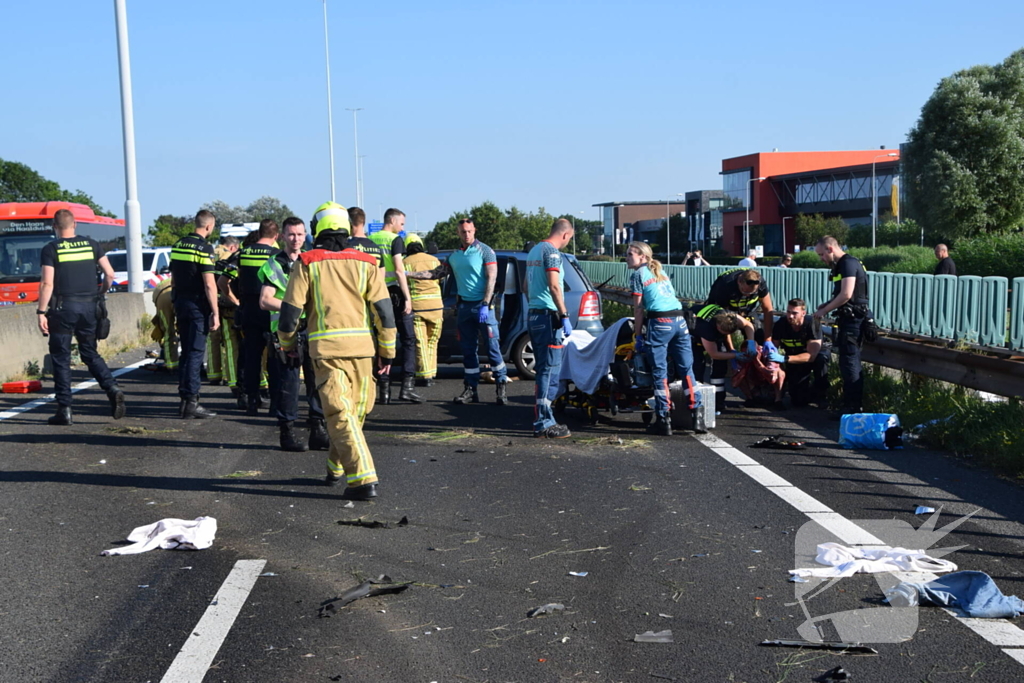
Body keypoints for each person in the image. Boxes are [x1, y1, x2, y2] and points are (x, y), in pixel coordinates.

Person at [277, 204, 396, 501]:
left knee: (342, 415)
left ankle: (363, 479)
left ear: (316, 230)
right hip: (363, 352)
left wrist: (288, 345)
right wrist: (388, 351)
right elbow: (384, 313)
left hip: (326, 351)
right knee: (351, 414)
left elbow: (290, 315)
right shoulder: (367, 262)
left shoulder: (307, 262)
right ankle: (341, 470)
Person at [36, 208, 126, 425]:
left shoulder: (51, 248)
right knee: (89, 352)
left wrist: (40, 311)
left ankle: (64, 411)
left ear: (54, 227)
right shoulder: (92, 244)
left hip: (63, 308)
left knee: (61, 358)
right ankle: (112, 388)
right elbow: (110, 274)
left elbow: (47, 283)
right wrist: (101, 293)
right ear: (75, 224)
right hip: (89, 308)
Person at [626, 241, 703, 435]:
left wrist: (637, 335)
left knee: (660, 372)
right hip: (680, 321)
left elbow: (638, 308)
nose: (626, 258)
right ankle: (698, 416)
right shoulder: (660, 271)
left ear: (642, 257)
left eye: (630, 254)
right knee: (686, 369)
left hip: (660, 322)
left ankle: (663, 418)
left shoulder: (637, 275)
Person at [258, 217, 317, 452]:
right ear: (282, 236)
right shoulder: (274, 264)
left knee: (317, 382)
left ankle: (318, 429)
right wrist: (292, 306)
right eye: (291, 235)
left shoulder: (312, 261)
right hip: (284, 332)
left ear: (306, 236)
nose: (296, 239)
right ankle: (288, 433)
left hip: (311, 330)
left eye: (300, 234)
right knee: (288, 386)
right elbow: (265, 300)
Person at [446, 219, 509, 404]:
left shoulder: (485, 251)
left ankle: (501, 389)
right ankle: (471, 389)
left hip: (483, 308)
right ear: (458, 233)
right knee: (467, 350)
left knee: (492, 349)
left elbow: (492, 277)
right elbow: (437, 273)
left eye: (469, 231)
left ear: (474, 231)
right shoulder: (454, 255)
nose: (466, 235)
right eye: (463, 232)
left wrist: (485, 303)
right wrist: (407, 274)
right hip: (464, 307)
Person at [526, 219, 575, 439]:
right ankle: (544, 422)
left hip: (534, 314)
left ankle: (542, 419)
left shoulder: (535, 250)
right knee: (549, 370)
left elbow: (527, 286)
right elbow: (555, 285)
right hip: (548, 318)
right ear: (565, 235)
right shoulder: (552, 253)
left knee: (542, 370)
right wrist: (564, 314)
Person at [169, 210, 221, 418]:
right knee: (196, 352)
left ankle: (184, 401)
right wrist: (215, 312)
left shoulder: (178, 245)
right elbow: (209, 284)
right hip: (197, 306)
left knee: (186, 352)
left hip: (180, 302)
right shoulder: (204, 248)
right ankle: (192, 402)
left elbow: (173, 277)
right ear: (209, 227)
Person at [813, 235, 869, 416]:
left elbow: (846, 294)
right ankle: (849, 405)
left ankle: (852, 408)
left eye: (822, 254)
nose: (821, 259)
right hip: (849, 319)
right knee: (847, 363)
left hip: (853, 321)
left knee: (850, 363)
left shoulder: (847, 263)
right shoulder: (843, 264)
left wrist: (824, 311)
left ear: (830, 249)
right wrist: (828, 304)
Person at [370, 208, 421, 404]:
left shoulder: (370, 239)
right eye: (401, 224)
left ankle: (384, 389)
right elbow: (399, 270)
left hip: (376, 294)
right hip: (395, 293)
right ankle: (407, 388)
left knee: (382, 338)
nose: (402, 228)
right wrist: (407, 298)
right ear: (392, 221)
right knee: (408, 339)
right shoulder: (394, 240)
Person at [237, 220, 281, 415]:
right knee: (274, 358)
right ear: (276, 236)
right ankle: (274, 403)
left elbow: (228, 279)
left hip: (249, 310)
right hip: (271, 312)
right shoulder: (277, 255)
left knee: (252, 358)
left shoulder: (244, 252)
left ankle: (252, 401)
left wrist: (237, 301)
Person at [692, 305, 756, 414]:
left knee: (720, 368)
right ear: (718, 327)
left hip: (713, 332)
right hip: (692, 337)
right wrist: (735, 355)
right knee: (697, 367)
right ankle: (697, 403)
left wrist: (751, 342)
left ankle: (718, 402)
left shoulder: (729, 316)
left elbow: (748, 325)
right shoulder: (706, 328)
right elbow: (714, 354)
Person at [402, 233, 443, 387]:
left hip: (418, 308)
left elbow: (402, 282)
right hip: (437, 307)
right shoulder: (434, 260)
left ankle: (425, 376)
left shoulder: (405, 262)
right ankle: (431, 373)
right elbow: (439, 279)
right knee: (433, 341)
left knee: (421, 342)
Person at [774, 298, 830, 407]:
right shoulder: (781, 324)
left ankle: (821, 396)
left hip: (812, 356)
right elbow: (774, 346)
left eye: (795, 313)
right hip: (795, 359)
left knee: (821, 359)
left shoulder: (812, 324)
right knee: (798, 401)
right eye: (788, 312)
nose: (790, 316)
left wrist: (784, 359)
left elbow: (811, 356)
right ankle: (807, 393)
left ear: (803, 313)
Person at [206, 235, 239, 386]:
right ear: (233, 247)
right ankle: (228, 375)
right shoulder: (231, 257)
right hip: (226, 301)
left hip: (209, 299)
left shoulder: (210, 253)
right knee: (228, 341)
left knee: (212, 338)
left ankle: (213, 373)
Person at [150, 277, 178, 372]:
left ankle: (171, 365)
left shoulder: (162, 283)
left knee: (167, 332)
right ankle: (190, 364)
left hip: (161, 297)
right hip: (178, 293)